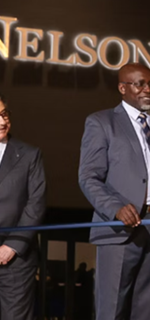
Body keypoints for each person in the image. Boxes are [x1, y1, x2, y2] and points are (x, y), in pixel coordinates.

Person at [78, 63, 150, 320]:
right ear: (122, 88)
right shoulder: (101, 122)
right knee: (112, 310)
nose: (148, 89)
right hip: (119, 228)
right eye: (139, 84)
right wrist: (115, 208)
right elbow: (88, 177)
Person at [0, 94, 46, 320]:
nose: (2, 122)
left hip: (16, 260)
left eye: (4, 114)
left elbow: (35, 204)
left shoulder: (29, 154)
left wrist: (12, 247)